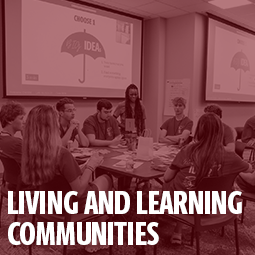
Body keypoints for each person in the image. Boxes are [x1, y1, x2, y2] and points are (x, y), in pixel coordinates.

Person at [21, 105, 112, 253]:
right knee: (106, 179)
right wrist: (91, 166)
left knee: (97, 186)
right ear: (52, 126)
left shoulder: (31, 151)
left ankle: (90, 231)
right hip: (71, 206)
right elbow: (79, 191)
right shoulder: (61, 153)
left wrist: (83, 168)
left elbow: (58, 176)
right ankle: (96, 236)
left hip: (47, 204)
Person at [163, 113, 253, 244]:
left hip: (183, 206)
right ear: (220, 132)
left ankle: (177, 228)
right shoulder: (230, 156)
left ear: (198, 130)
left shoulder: (187, 150)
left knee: (172, 182)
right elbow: (249, 169)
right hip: (213, 206)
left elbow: (166, 177)